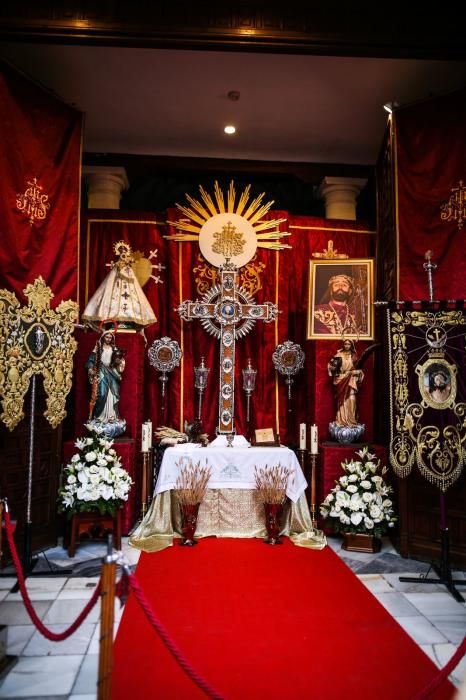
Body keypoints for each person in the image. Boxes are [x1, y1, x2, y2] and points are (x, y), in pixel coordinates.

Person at [86, 330, 126, 425]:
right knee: (102, 393)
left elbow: (119, 359)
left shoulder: (114, 348)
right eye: (107, 337)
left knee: (113, 394)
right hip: (101, 371)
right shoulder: (98, 348)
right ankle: (99, 417)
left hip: (111, 372)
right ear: (103, 337)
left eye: (110, 337)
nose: (108, 339)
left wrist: (119, 362)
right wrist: (91, 369)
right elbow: (91, 360)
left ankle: (111, 417)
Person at [328, 339, 364, 427]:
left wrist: (356, 372)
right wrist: (332, 368)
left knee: (352, 398)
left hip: (351, 379)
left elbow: (360, 370)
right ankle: (341, 421)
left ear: (351, 345)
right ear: (343, 345)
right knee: (342, 401)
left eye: (349, 344)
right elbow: (331, 365)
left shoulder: (354, 356)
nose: (347, 346)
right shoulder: (339, 354)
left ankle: (352, 421)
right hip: (341, 379)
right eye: (345, 344)